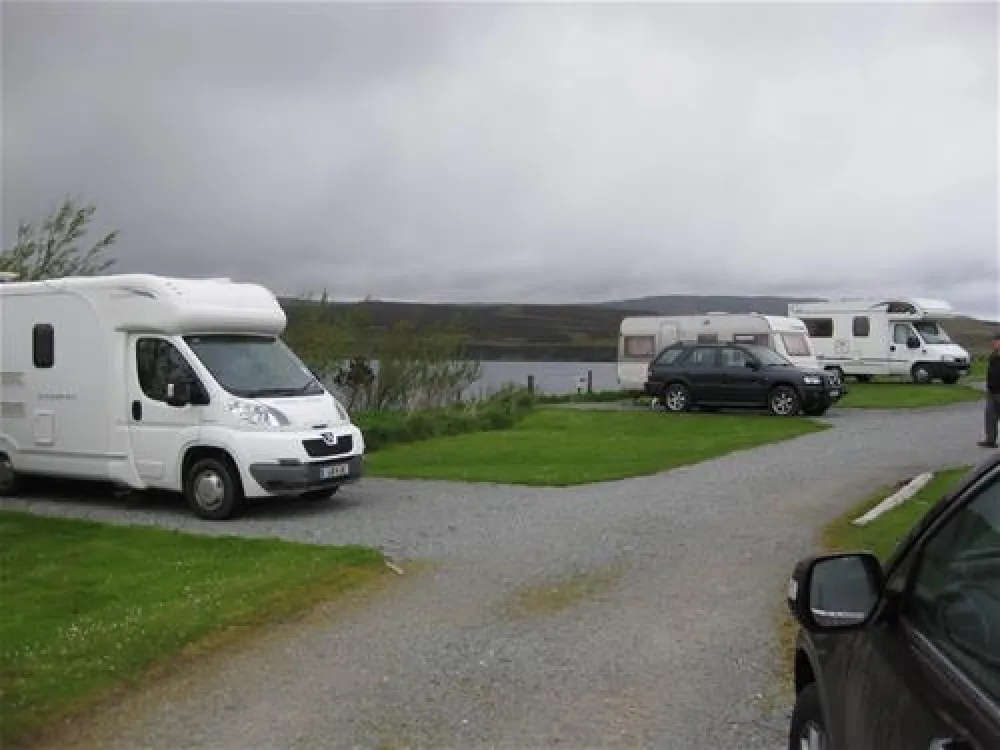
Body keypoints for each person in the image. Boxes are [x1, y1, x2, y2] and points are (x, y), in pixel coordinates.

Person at [978, 333, 1000, 449]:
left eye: (996, 341)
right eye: (993, 341)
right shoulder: (993, 356)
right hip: (992, 390)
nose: (993, 343)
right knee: (990, 416)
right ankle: (990, 440)